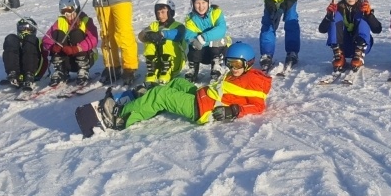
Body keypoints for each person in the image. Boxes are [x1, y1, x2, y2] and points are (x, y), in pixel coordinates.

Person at [98, 42, 272, 131]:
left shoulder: (253, 81)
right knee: (177, 82)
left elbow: (258, 106)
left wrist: (233, 111)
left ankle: (120, 116)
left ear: (248, 64)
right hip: (205, 96)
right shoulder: (240, 73)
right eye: (230, 64)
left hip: (204, 110)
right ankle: (146, 101)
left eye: (237, 65)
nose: (233, 68)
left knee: (161, 94)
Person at [319, 0, 383, 72]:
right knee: (335, 16)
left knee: (362, 16)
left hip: (361, 44)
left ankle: (359, 54)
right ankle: (339, 55)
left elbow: (377, 29)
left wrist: (369, 15)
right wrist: (329, 16)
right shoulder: (338, 8)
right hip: (343, 45)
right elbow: (322, 29)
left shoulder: (363, 8)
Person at [42, 0, 99, 87]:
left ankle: (83, 69)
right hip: (68, 60)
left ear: (75, 8)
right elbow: (46, 39)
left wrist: (77, 48)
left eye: (69, 10)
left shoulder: (86, 21)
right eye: (63, 11)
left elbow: (94, 39)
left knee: (76, 33)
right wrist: (52, 47)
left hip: (87, 57)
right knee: (58, 33)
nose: (67, 14)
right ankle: (61, 70)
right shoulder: (60, 22)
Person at [184, 0, 231, 83]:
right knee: (194, 44)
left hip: (217, 50)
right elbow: (188, 36)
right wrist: (199, 41)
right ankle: (193, 70)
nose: (201, 6)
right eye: (197, 3)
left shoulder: (216, 13)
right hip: (201, 52)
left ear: (208, 2)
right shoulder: (190, 19)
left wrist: (203, 37)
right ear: (192, 4)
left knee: (217, 40)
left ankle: (216, 66)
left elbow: (221, 29)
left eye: (203, 3)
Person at [137, 0, 187, 86]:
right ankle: (152, 71)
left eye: (163, 12)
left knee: (167, 42)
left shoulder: (178, 26)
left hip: (175, 63)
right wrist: (148, 35)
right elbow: (141, 36)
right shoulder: (154, 25)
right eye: (158, 13)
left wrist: (162, 34)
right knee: (149, 42)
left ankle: (166, 71)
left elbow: (178, 35)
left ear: (170, 12)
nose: (160, 15)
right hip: (158, 63)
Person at [1, 17, 48, 91]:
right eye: (22, 28)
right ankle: (13, 74)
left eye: (28, 28)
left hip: (34, 69)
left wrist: (41, 74)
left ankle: (29, 75)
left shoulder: (38, 40)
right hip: (19, 70)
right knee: (11, 38)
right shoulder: (16, 42)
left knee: (30, 39)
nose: (25, 31)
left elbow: (45, 58)